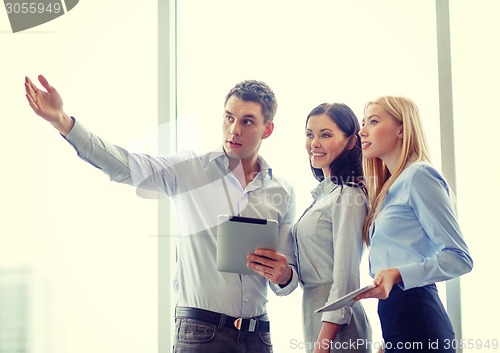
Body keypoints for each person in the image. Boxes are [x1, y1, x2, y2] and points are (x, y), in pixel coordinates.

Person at [24, 75, 298, 353]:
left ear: (268, 129)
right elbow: (124, 165)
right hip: (201, 334)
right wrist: (62, 121)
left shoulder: (283, 193)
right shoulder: (189, 170)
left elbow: (287, 282)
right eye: (229, 117)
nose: (234, 129)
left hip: (258, 337)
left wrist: (283, 274)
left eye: (247, 121)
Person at [355, 96, 473, 352]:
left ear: (402, 129)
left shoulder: (419, 176)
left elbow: (460, 257)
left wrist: (398, 273)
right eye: (363, 123)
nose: (362, 131)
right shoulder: (389, 189)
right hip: (395, 318)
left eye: (373, 121)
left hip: (419, 317)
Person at [286, 103, 372, 352]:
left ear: (350, 142)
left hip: (337, 323)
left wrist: (323, 343)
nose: (314, 143)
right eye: (310, 134)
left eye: (326, 134)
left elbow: (346, 278)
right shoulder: (323, 196)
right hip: (316, 312)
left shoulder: (349, 194)